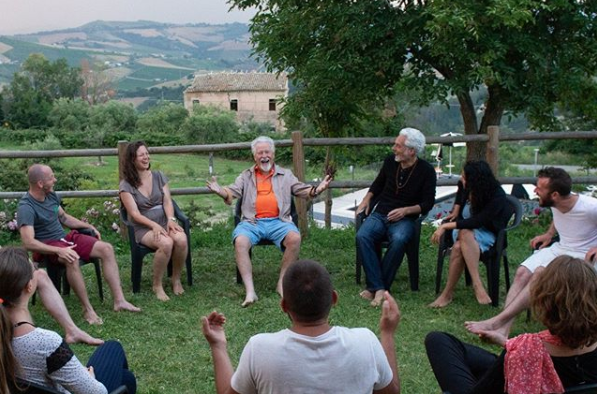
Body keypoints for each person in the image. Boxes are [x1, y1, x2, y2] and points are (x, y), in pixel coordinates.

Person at [201, 259, 401, 394]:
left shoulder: (260, 348)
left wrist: (217, 345)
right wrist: (388, 333)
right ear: (334, 298)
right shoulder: (365, 341)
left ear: (284, 306)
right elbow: (392, 391)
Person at [425, 255, 597, 394]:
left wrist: (515, 349)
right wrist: (507, 344)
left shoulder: (527, 349)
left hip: (520, 363)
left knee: (438, 341)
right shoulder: (525, 348)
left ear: (545, 302)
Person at [465, 167, 597, 341]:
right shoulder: (557, 202)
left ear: (555, 194)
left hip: (582, 255)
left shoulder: (590, 207)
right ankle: (503, 330)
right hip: (561, 247)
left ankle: (496, 321)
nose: (535, 190)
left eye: (540, 188)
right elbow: (558, 216)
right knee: (522, 273)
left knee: (540, 273)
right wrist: (549, 234)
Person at [206, 136, 332, 307]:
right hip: (252, 222)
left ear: (273, 154)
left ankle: (281, 283)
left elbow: (302, 190)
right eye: (260, 153)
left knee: (294, 238)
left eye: (267, 152)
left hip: (279, 222)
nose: (264, 156)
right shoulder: (246, 175)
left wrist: (318, 189)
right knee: (241, 241)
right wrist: (220, 191)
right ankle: (250, 291)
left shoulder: (285, 174)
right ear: (254, 157)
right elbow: (232, 192)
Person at [0, 246, 137, 394]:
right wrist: (88, 377)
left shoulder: (7, 333)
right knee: (112, 347)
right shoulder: (45, 342)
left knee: (126, 379)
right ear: (29, 286)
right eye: (34, 269)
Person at [17, 164, 140, 325]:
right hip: (48, 246)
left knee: (106, 248)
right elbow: (28, 242)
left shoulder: (51, 195)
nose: (55, 180)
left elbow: (64, 218)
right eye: (51, 177)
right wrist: (58, 251)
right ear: (40, 183)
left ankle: (120, 301)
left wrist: (86, 226)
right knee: (72, 258)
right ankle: (87, 310)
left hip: (65, 239)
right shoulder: (26, 207)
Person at [355, 127, 436, 306]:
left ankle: (375, 288)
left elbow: (428, 203)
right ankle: (380, 288)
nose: (394, 148)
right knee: (363, 235)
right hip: (381, 213)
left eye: (398, 146)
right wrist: (366, 199)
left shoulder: (426, 170)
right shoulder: (390, 162)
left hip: (405, 219)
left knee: (399, 239)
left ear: (411, 151)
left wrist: (405, 211)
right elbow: (377, 185)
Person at [429, 160, 512, 307]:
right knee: (465, 233)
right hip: (462, 229)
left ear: (476, 180)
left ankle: (448, 294)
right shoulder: (466, 185)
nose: (461, 179)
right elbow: (460, 193)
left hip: (488, 234)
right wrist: (456, 209)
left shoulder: (497, 194)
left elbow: (478, 221)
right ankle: (477, 286)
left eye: (465, 177)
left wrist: (446, 226)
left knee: (458, 246)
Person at [120, 141, 188, 301]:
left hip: (164, 221)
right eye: (141, 155)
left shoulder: (158, 176)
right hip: (143, 227)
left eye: (147, 153)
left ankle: (175, 279)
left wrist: (171, 219)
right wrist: (153, 225)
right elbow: (134, 214)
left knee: (181, 239)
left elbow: (167, 201)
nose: (146, 157)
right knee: (166, 243)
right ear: (132, 159)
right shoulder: (126, 185)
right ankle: (157, 285)